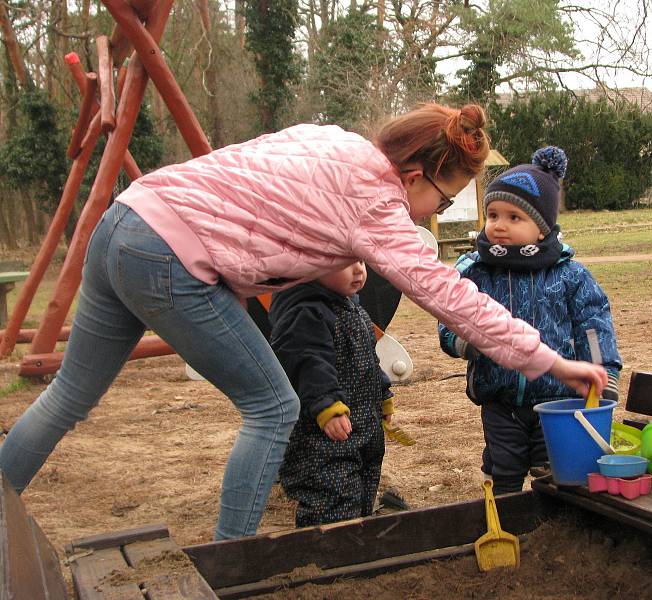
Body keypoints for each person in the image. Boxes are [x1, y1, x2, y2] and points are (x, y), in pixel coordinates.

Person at [0, 104, 607, 540]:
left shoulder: (334, 140)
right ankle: (231, 563)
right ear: (417, 177)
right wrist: (552, 361)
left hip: (123, 222)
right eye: (443, 202)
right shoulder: (380, 206)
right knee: (273, 406)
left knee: (69, 394)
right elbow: (455, 299)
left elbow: (261, 196)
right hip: (169, 255)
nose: (436, 213)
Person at [439, 147, 622, 495]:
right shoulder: (476, 271)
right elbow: (450, 313)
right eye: (493, 215)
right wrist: (462, 341)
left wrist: (605, 372)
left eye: (514, 217)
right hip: (500, 397)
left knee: (553, 470)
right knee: (503, 468)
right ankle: (505, 520)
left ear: (541, 229)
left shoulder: (570, 275)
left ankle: (550, 525)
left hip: (557, 399)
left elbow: (594, 326)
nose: (499, 225)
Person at [269, 260, 393, 526]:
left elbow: (369, 358)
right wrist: (326, 405)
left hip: (361, 424)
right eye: (346, 263)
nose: (359, 269)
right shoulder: (305, 313)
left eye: (361, 260)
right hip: (324, 434)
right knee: (332, 494)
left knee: (364, 483)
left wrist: (383, 394)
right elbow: (308, 362)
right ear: (313, 263)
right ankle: (328, 549)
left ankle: (357, 538)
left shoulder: (350, 306)